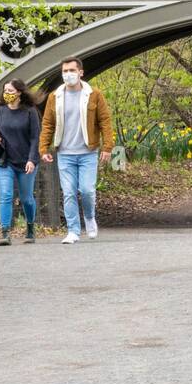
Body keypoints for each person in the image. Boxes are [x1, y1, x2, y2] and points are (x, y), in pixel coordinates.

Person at [39, 57, 115, 244]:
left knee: (87, 191)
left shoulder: (94, 94)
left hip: (88, 152)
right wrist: (43, 148)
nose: (68, 74)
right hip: (65, 153)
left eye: (72, 70)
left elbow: (105, 121)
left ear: (81, 72)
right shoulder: (54, 97)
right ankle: (73, 230)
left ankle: (89, 217)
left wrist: (107, 147)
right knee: (69, 192)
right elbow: (48, 124)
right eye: (65, 71)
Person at [0, 79, 42, 245]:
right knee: (6, 196)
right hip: (4, 161)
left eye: (10, 91)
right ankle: (5, 233)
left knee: (26, 198)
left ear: (19, 92)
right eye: (5, 91)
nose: (7, 94)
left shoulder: (30, 112)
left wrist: (32, 159)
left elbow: (35, 138)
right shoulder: (0, 111)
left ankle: (30, 228)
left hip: (26, 162)